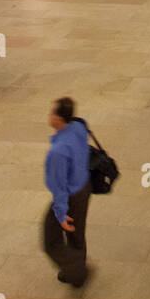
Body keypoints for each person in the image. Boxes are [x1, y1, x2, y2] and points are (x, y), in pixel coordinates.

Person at [43, 97, 92, 288]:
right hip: (84, 187)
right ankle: (76, 272)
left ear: (59, 119)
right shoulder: (79, 128)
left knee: (51, 241)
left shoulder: (58, 151)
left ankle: (78, 271)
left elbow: (59, 186)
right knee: (77, 235)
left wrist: (61, 214)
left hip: (71, 195)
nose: (49, 115)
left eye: (52, 112)